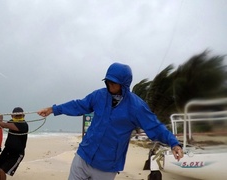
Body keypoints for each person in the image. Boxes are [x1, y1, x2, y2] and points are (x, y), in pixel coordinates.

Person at [37, 62, 184, 180]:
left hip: (106, 167)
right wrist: (53, 109)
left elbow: (154, 126)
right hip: (84, 156)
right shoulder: (98, 96)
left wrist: (173, 143)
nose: (109, 85)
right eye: (108, 81)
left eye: (114, 82)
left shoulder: (136, 107)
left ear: (124, 84)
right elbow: (79, 105)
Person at [0, 107, 28, 180]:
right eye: (17, 115)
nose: (18, 117)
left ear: (23, 116)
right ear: (12, 116)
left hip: (17, 154)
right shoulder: (11, 121)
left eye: (20, 115)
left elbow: (5, 125)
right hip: (7, 151)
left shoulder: (23, 124)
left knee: (2, 170)